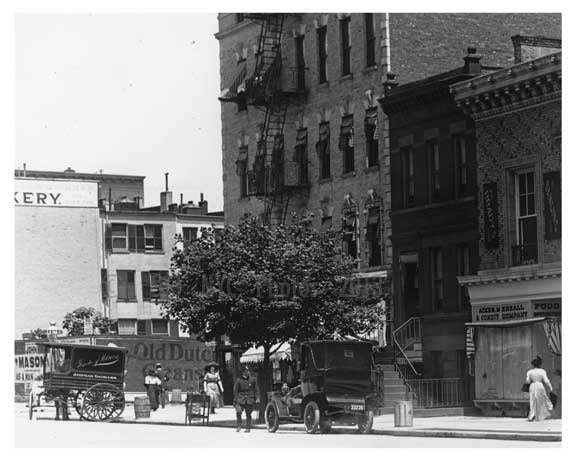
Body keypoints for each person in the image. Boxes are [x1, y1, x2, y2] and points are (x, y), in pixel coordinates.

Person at [525, 356, 554, 421]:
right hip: (540, 385)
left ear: (533, 365)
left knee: (532, 401)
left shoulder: (529, 372)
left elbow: (527, 381)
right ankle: (541, 415)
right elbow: (546, 380)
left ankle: (531, 415)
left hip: (532, 386)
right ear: (540, 364)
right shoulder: (542, 371)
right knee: (542, 400)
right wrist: (550, 386)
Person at [233, 366, 259, 433]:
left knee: (248, 414)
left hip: (249, 399)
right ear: (243, 372)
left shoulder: (253, 379)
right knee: (238, 411)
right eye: (245, 371)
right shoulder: (239, 380)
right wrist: (235, 400)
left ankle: (248, 427)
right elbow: (235, 391)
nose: (247, 372)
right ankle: (239, 426)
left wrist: (257, 398)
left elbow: (256, 390)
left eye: (247, 371)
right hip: (240, 399)